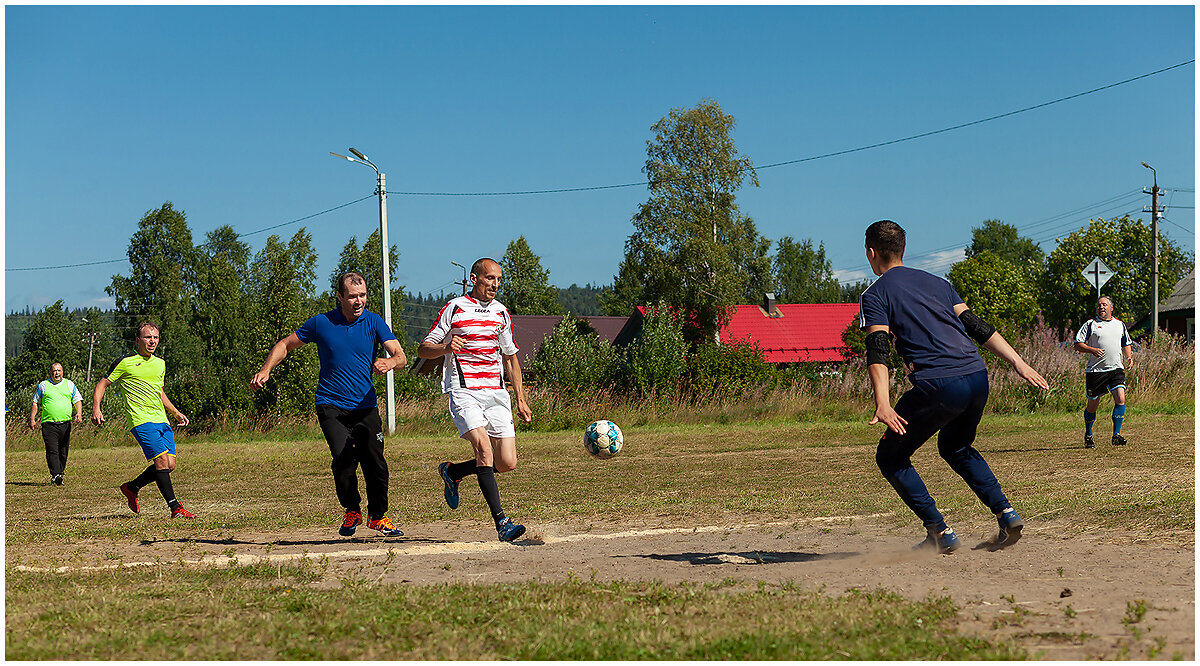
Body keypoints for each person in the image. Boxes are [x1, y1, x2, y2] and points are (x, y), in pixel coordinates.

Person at [859, 220, 1049, 554]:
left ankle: (939, 532)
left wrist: (883, 403)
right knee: (956, 447)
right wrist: (1017, 362)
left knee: (891, 456)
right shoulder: (938, 283)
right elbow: (975, 325)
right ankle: (1007, 514)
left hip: (940, 383)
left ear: (871, 253)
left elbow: (877, 348)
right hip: (977, 376)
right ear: (903, 248)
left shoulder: (875, 294)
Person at [251, 271, 407, 538]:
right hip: (331, 404)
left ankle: (378, 517)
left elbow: (400, 355)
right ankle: (352, 510)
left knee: (375, 461)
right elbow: (285, 345)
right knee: (343, 457)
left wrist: (389, 363)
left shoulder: (374, 322)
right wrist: (266, 369)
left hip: (365, 405)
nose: (359, 301)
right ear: (339, 297)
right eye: (352, 296)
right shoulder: (321, 323)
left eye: (363, 296)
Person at [418, 257, 533, 543]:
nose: (494, 284)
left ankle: (453, 471)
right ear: (474, 278)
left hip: (495, 393)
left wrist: (520, 398)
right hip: (463, 390)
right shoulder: (454, 308)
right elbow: (423, 349)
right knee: (483, 447)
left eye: (498, 280)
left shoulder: (501, 313)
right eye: (489, 278)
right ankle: (502, 523)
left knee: (506, 462)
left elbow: (510, 357)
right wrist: (445, 347)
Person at [93, 322, 195, 518]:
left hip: (161, 420)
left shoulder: (160, 364)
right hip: (140, 420)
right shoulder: (125, 362)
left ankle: (132, 487)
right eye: (148, 337)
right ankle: (175, 508)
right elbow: (102, 384)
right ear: (138, 340)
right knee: (162, 461)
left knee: (169, 465)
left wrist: (175, 412)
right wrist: (96, 408)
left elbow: (159, 391)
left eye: (155, 337)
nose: (152, 341)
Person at [1073, 296, 1133, 448]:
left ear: (1111, 308)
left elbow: (1126, 342)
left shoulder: (1120, 324)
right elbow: (1077, 344)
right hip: (1095, 371)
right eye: (1099, 305)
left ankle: (1116, 435)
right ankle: (1088, 435)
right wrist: (1091, 350)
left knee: (1120, 397)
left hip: (1116, 368)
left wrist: (1129, 357)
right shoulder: (1091, 324)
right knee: (1093, 405)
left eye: (1104, 305)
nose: (1101, 307)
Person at [29, 362, 83, 486]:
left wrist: (78, 413)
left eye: (59, 370)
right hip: (49, 424)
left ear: (62, 372)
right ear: (50, 372)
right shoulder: (43, 385)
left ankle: (60, 474)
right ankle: (56, 474)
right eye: (54, 371)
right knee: (52, 450)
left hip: (65, 423)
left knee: (63, 451)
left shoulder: (69, 384)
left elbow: (77, 400)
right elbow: (35, 402)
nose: (56, 373)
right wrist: (32, 419)